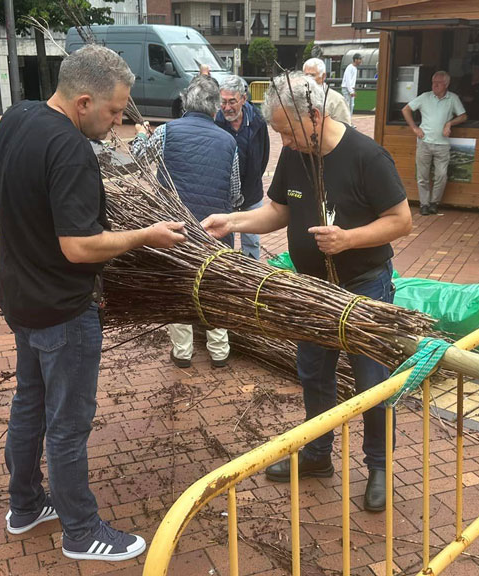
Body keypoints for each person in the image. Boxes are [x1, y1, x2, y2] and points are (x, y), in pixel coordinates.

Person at [0, 44, 185, 562]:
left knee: (29, 403)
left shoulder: (17, 118)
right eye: (114, 110)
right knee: (68, 422)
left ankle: (26, 504)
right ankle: (81, 530)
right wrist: (144, 235)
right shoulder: (71, 149)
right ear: (83, 102)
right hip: (62, 306)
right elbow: (78, 246)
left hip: (20, 297)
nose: (118, 121)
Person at [201, 72, 412, 513]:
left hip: (363, 286)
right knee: (314, 373)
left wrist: (349, 239)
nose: (284, 140)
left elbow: (401, 220)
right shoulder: (296, 156)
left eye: (287, 131)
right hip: (312, 290)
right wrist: (232, 221)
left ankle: (378, 468)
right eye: (277, 131)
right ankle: (316, 455)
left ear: (315, 115)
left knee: (371, 382)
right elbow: (279, 210)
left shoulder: (366, 156)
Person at [131, 75, 242, 369]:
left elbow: (139, 157)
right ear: (215, 109)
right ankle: (219, 351)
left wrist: (141, 134)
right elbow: (235, 192)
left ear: (184, 102)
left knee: (179, 282)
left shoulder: (167, 131)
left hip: (174, 228)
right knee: (215, 285)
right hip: (215, 231)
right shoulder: (228, 140)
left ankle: (182, 352)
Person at [216, 74, 270, 260]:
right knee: (222, 239)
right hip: (223, 194)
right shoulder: (215, 121)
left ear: (243, 99)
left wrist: (253, 177)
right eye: (223, 102)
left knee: (252, 240)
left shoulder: (257, 121)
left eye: (232, 101)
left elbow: (264, 156)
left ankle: (252, 272)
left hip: (251, 192)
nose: (227, 107)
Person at [401, 71, 467, 216]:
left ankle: (434, 203)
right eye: (433, 82)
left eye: (438, 83)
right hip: (424, 142)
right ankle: (424, 204)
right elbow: (406, 110)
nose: (435, 85)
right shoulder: (425, 97)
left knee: (441, 175)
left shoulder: (452, 98)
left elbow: (463, 116)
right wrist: (414, 128)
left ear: (446, 84)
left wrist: (449, 123)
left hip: (442, 144)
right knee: (422, 176)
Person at [302, 58, 352, 124]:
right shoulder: (299, 96)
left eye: (312, 75)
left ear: (323, 76)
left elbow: (344, 128)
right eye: (306, 75)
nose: (308, 79)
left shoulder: (336, 100)